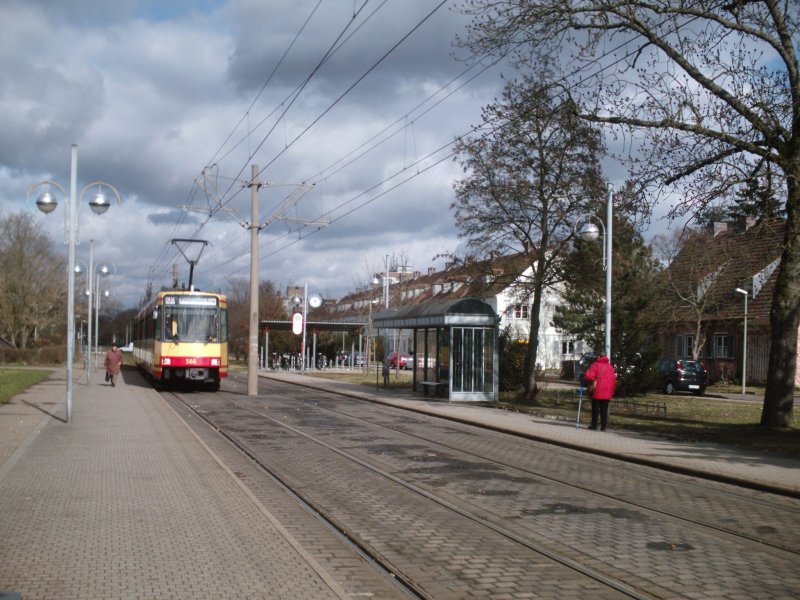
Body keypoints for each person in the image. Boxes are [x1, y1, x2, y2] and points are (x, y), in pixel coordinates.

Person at [583, 353, 617, 431]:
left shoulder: (595, 365)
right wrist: (611, 391)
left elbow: (588, 376)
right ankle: (604, 426)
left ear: (599, 357)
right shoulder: (610, 367)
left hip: (597, 390)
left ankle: (594, 425)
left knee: (595, 409)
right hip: (607, 390)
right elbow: (613, 380)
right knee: (604, 409)